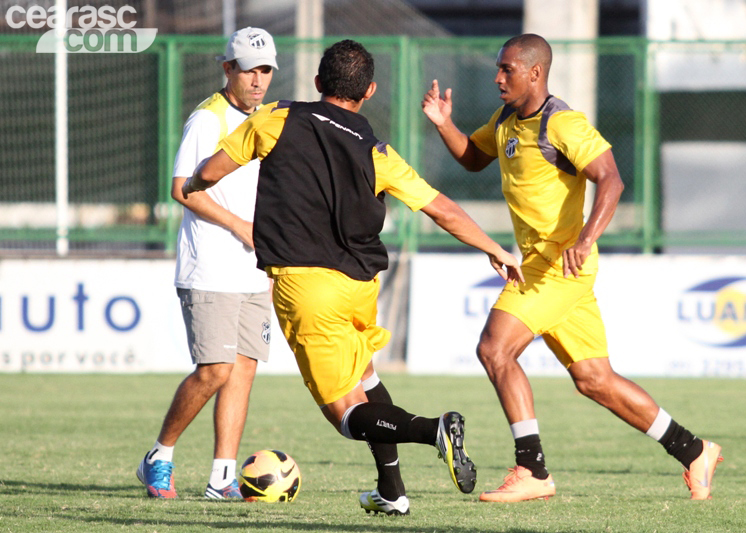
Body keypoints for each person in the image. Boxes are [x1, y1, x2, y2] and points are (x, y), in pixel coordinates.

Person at [183, 39, 524, 515]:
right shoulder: (376, 150)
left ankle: (434, 429)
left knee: (346, 415)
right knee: (366, 376)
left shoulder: (275, 118)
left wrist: (197, 182)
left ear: (318, 83)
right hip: (359, 289)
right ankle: (392, 492)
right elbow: (441, 208)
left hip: (306, 289)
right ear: (369, 92)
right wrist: (495, 249)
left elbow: (211, 172)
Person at [421, 33, 723, 502]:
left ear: (535, 72)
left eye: (507, 70)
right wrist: (444, 123)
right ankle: (694, 450)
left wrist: (585, 240)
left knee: (494, 349)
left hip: (556, 267)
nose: (498, 78)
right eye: (498, 69)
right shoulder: (504, 119)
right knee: (595, 380)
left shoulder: (562, 124)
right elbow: (473, 158)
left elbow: (612, 179)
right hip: (552, 269)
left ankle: (532, 469)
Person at [136, 27, 279, 500]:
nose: (258, 80)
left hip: (252, 268)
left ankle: (222, 477)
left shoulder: (266, 119)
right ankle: (160, 454)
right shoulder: (208, 119)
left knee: (243, 370)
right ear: (228, 70)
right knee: (215, 369)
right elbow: (182, 188)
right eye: (248, 70)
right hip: (210, 267)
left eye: (265, 70)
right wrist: (240, 226)